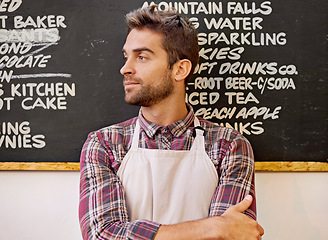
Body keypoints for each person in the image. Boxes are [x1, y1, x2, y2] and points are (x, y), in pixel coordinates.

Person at [79, 5, 264, 240]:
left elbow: (232, 236)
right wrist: (212, 228)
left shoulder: (230, 146)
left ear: (179, 69)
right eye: (127, 57)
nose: (125, 68)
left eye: (142, 57)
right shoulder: (104, 144)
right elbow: (101, 234)